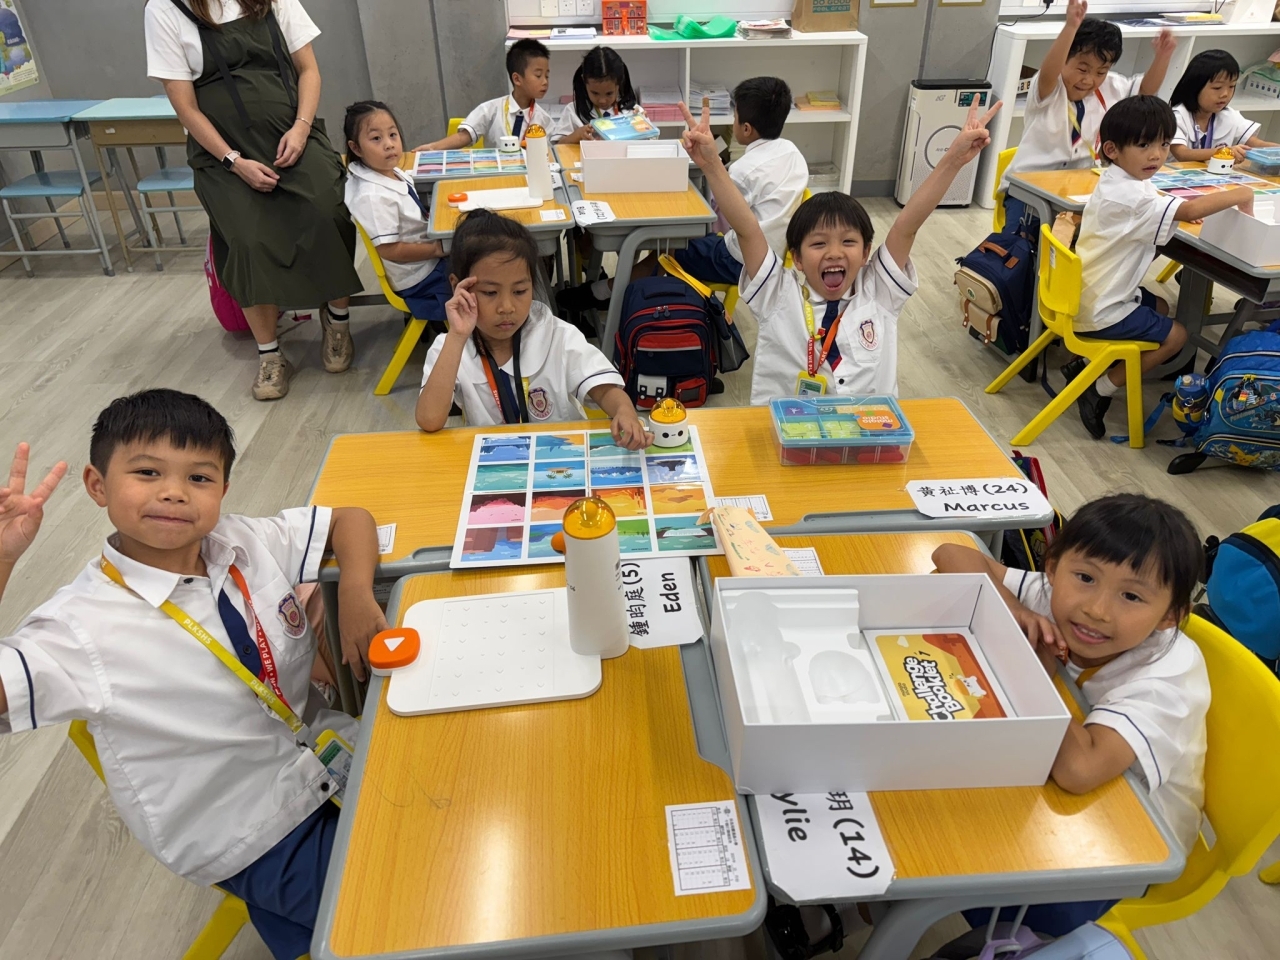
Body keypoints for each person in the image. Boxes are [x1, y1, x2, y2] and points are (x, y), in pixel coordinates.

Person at [0, 390, 386, 960]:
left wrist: (354, 590)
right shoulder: (81, 627)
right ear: (97, 484)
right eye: (147, 472)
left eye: (199, 477)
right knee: (395, 903)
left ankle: (299, 922)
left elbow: (350, 520)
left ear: (223, 490)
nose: (174, 491)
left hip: (325, 755)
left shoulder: (241, 541)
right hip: (250, 831)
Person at [933, 493, 1208, 936]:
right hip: (1055, 768)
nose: (1096, 609)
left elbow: (1079, 771)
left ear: (1170, 617)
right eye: (1085, 577)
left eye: (1132, 596)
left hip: (1128, 843)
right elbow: (950, 554)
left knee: (962, 840)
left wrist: (1032, 669)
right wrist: (1014, 611)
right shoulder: (1049, 596)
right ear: (1053, 567)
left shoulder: (1169, 674)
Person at [680, 96, 1000, 405]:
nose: (834, 252)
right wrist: (712, 165)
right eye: (819, 243)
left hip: (870, 432)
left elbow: (907, 225)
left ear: (866, 252)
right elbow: (748, 231)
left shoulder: (880, 291)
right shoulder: (777, 294)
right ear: (797, 258)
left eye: (848, 242)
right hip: (787, 432)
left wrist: (953, 160)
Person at [145, 0, 364, 401]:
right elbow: (185, 106)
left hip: (291, 134)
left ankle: (337, 321)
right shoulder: (165, 9)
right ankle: (270, 354)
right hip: (223, 154)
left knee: (329, 210)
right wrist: (233, 161)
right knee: (247, 239)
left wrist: (301, 129)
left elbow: (308, 70)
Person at [1068, 95, 1253, 439]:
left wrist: (1172, 213)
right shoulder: (1133, 196)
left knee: (1163, 307)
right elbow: (1183, 210)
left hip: (1086, 292)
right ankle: (1100, 388)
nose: (1157, 154)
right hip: (1102, 308)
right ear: (1112, 149)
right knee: (1178, 336)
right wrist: (1242, 192)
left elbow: (1157, 210)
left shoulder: (1118, 180)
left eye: (1164, 144)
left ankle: (1084, 366)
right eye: (1144, 145)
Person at [557, 76, 808, 313]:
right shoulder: (792, 152)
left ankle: (606, 294)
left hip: (744, 261)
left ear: (746, 128)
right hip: (774, 255)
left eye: (734, 117)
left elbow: (712, 223)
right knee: (670, 244)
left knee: (670, 247)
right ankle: (607, 291)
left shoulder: (745, 170)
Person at [416, 210, 652, 449]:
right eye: (490, 292)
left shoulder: (557, 335)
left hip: (560, 455)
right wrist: (457, 336)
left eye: (520, 291)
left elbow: (604, 390)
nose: (507, 307)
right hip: (496, 459)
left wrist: (624, 411)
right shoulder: (449, 347)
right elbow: (429, 420)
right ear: (459, 288)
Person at [998, 0, 1176, 232]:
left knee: (1109, 233)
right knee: (1024, 240)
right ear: (1065, 60)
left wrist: (1163, 56)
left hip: (1079, 186)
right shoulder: (1050, 88)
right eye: (1082, 69)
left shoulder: (1111, 87)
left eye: (1101, 72)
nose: (1089, 80)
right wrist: (1070, 26)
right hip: (1028, 189)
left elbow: (1145, 92)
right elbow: (1049, 71)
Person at [344, 100, 451, 323]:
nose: (389, 145)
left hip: (426, 261)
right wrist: (437, 249)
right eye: (376, 138)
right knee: (486, 275)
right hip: (420, 279)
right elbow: (390, 249)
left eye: (393, 135)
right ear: (356, 148)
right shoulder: (372, 196)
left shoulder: (391, 172)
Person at [415, 39, 553, 151]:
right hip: (497, 172)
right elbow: (464, 136)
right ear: (517, 79)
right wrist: (433, 147)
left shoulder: (544, 120)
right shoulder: (491, 109)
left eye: (547, 76)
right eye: (538, 75)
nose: (545, 82)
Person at [1169, 49, 1277, 163]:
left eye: (1231, 86)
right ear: (1195, 87)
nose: (1225, 94)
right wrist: (1224, 152)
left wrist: (1276, 149)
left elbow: (1256, 144)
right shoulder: (1176, 117)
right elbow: (1182, 154)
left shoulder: (1229, 116)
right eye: (1217, 88)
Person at [551, 45, 644, 145]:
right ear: (584, 82)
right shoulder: (573, 111)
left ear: (620, 84)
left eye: (609, 93)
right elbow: (558, 145)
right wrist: (577, 135)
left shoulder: (633, 112)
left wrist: (643, 127)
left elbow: (647, 144)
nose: (602, 100)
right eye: (595, 93)